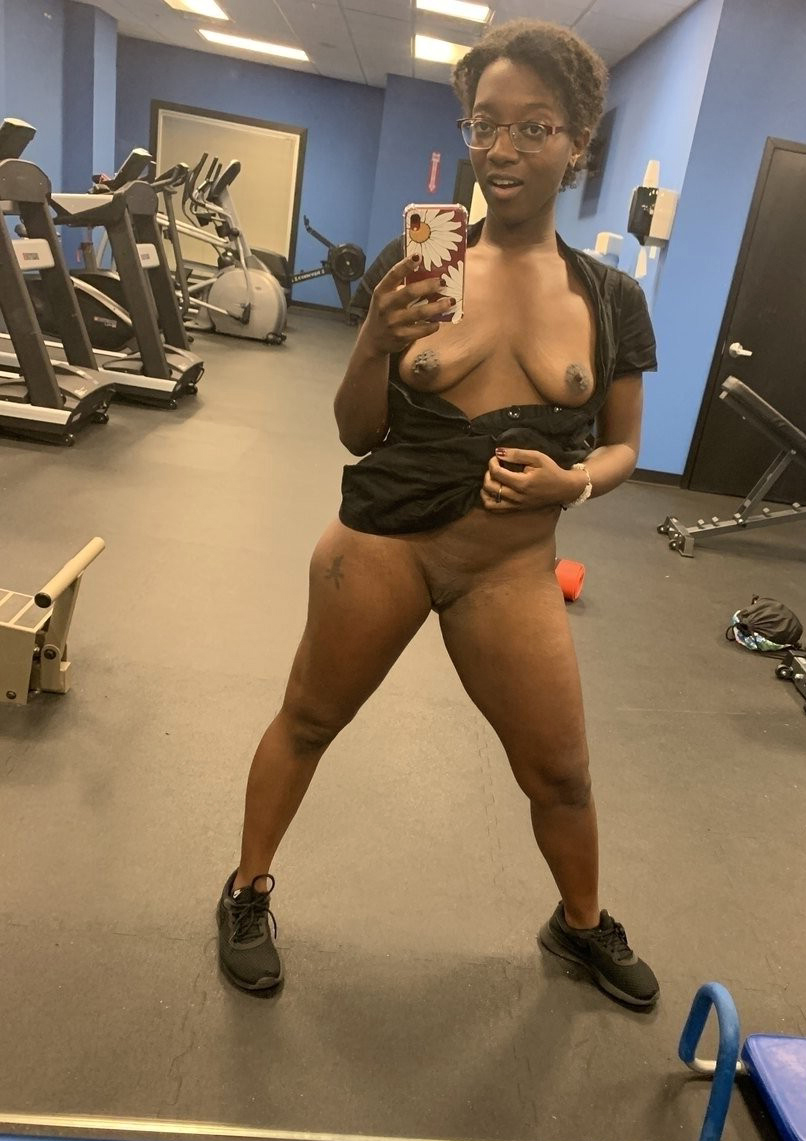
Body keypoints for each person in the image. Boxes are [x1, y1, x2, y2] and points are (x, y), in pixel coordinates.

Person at [217, 19, 660, 1010]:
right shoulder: (416, 261)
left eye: (534, 128)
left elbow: (626, 447)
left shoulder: (609, 297)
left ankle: (580, 922)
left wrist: (573, 484)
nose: (503, 150)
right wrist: (373, 338)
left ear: (578, 143)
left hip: (510, 568)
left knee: (564, 773)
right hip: (384, 543)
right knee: (309, 718)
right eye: (484, 125)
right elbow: (355, 432)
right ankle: (245, 892)